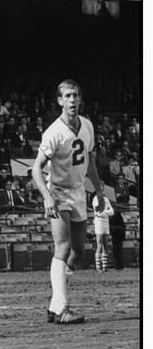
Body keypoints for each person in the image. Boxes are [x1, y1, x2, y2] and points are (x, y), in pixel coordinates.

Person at [32, 78, 105, 324]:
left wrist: (100, 191)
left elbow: (90, 162)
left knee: (79, 251)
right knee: (62, 247)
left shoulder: (87, 126)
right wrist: (47, 197)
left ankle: (54, 303)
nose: (72, 100)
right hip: (59, 192)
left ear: (80, 99)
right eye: (67, 96)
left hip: (78, 192)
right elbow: (36, 169)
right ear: (60, 101)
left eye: (75, 95)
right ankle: (62, 308)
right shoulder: (53, 132)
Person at [92, 182, 114, 272]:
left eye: (102, 187)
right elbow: (98, 213)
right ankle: (98, 267)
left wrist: (105, 213)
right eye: (100, 187)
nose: (101, 188)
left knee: (106, 244)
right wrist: (106, 213)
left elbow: (112, 211)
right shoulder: (96, 199)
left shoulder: (106, 199)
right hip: (99, 223)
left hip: (106, 222)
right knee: (99, 244)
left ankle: (105, 267)